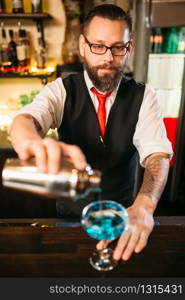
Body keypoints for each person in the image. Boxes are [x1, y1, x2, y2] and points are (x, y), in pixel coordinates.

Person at [10, 4, 173, 261]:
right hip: (69, 218)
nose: (108, 57)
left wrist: (145, 204)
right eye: (98, 45)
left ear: (128, 48)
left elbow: (158, 156)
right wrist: (30, 140)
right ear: (83, 45)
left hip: (121, 218)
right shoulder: (61, 90)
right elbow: (26, 120)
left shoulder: (144, 96)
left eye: (118, 47)